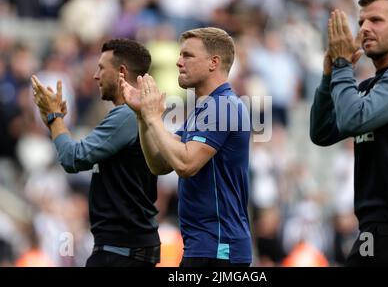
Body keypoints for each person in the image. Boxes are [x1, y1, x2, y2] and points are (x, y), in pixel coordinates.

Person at [310, 0, 388, 266]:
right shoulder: (370, 87)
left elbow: (353, 119)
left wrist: (343, 65)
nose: (365, 27)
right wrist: (329, 74)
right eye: (362, 21)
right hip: (379, 229)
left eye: (376, 20)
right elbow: (321, 132)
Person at [119, 27, 252, 267]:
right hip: (202, 246)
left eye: (188, 56)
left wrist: (153, 119)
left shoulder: (221, 106)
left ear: (214, 62)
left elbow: (186, 164)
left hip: (220, 248)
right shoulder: (203, 109)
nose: (179, 63)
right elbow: (160, 163)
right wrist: (142, 118)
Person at [31, 39, 160, 267]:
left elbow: (73, 159)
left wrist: (54, 118)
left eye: (101, 67)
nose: (95, 75)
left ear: (121, 72)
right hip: (124, 250)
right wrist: (55, 122)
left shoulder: (127, 115)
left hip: (121, 253)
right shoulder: (131, 114)